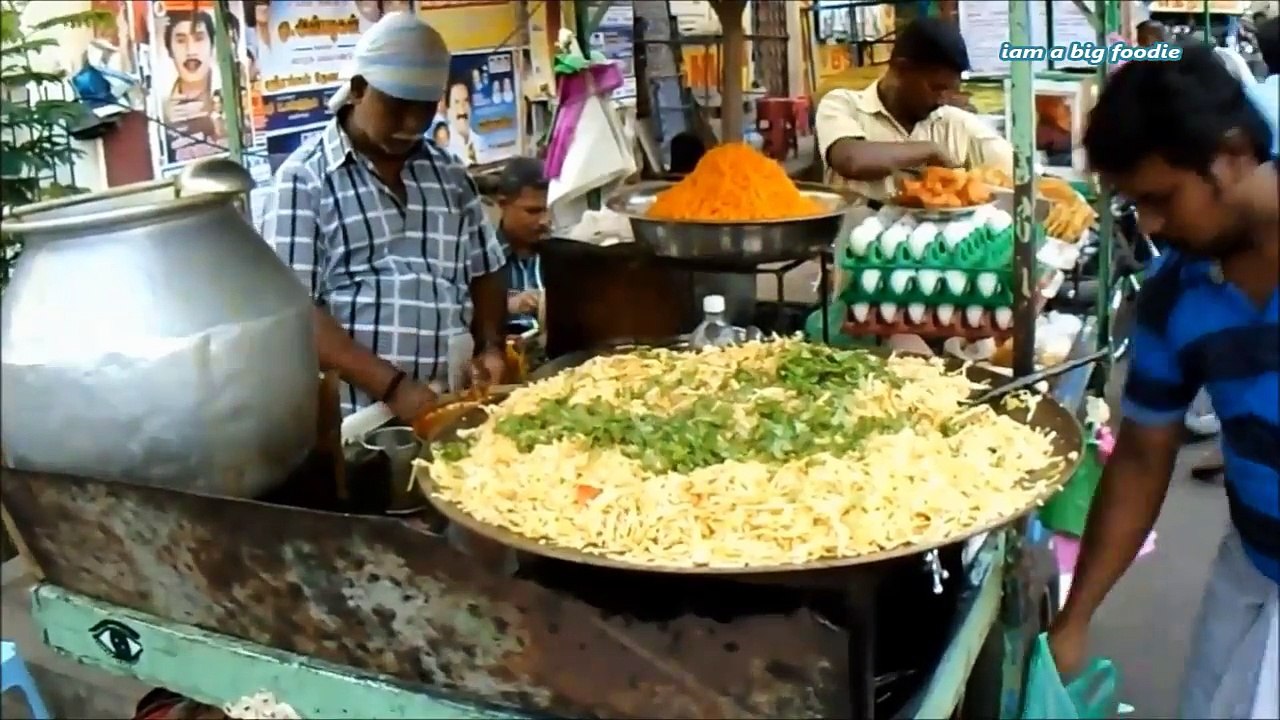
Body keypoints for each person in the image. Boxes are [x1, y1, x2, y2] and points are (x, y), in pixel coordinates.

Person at [1047, 45, 1278, 719]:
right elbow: (1144, 457)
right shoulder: (1176, 294)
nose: (1148, 225)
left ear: (1232, 154)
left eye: (1159, 198)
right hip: (1256, 565)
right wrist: (1075, 617)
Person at [258, 12, 508, 420]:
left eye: (425, 109)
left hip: (450, 402)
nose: (412, 124)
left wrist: (491, 346)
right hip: (361, 420)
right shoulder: (304, 181)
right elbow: (294, 314)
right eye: (398, 107)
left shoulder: (449, 175)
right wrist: (392, 387)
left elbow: (487, 269)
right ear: (358, 89)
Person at [815, 17, 1014, 204]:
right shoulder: (843, 104)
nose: (943, 99)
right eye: (936, 88)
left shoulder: (954, 123)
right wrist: (929, 150)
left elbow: (1016, 167)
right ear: (901, 70)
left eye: (950, 90)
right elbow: (851, 160)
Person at [495, 157, 550, 332]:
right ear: (503, 204)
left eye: (548, 210)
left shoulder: (559, 256)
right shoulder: (482, 260)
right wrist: (507, 306)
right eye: (533, 211)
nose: (544, 220)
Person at [160, 9, 215, 127]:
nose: (191, 51)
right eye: (181, 41)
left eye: (199, 38)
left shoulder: (237, 93)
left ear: (212, 45)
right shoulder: (160, 109)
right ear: (169, 50)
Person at [445, 76, 487, 165]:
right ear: (448, 110)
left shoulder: (482, 142)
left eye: (466, 101)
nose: (462, 108)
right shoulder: (444, 150)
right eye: (456, 102)